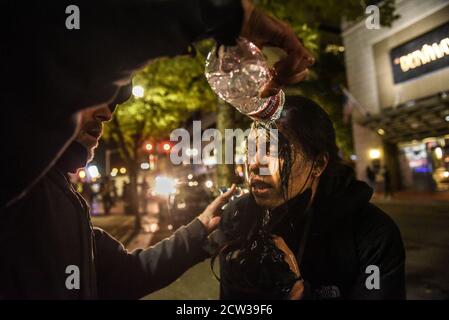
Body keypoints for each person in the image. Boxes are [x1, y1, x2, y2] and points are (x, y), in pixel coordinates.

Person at [2, 0, 314, 208]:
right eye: (99, 92)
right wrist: (225, 14)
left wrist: (199, 233)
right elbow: (60, 54)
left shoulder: (58, 194)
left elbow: (115, 269)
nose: (107, 113)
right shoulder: (31, 186)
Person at [0, 102, 236, 299]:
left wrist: (200, 229)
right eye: (93, 96)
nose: (107, 114)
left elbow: (131, 272)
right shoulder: (21, 178)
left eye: (111, 103)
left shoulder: (65, 198)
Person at [216, 96, 406, 300]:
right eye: (251, 149)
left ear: (318, 164)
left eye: (275, 150)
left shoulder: (372, 234)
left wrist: (300, 296)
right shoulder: (238, 218)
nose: (254, 164)